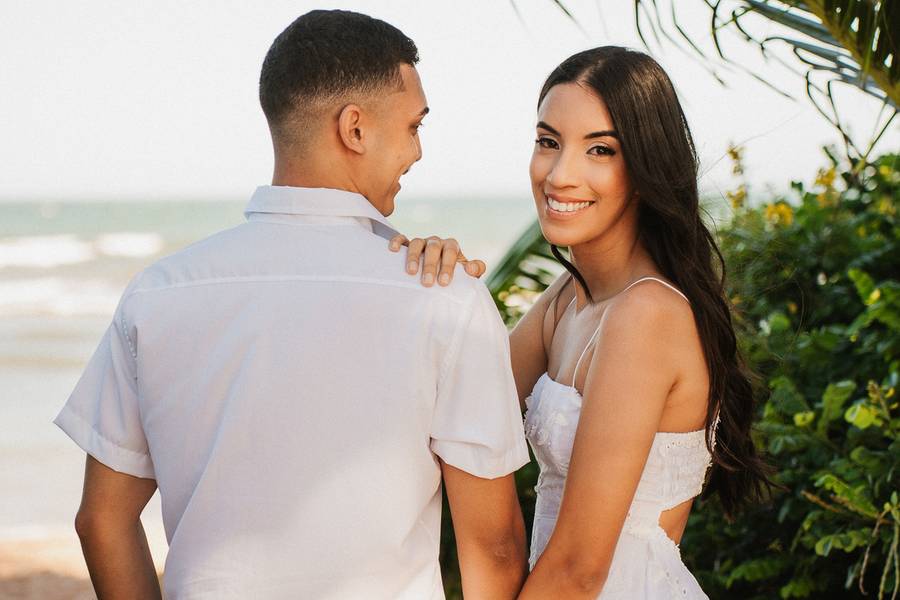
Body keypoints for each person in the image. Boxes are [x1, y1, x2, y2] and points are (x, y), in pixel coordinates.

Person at [53, 10, 530, 600]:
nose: (418, 152)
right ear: (354, 128)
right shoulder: (445, 299)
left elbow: (102, 519)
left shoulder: (158, 293)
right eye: (413, 126)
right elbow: (496, 549)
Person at [393, 46, 773, 598]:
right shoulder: (568, 299)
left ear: (645, 168)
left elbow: (579, 567)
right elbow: (447, 402)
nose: (560, 174)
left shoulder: (646, 315)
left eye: (600, 150)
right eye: (548, 142)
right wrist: (433, 284)